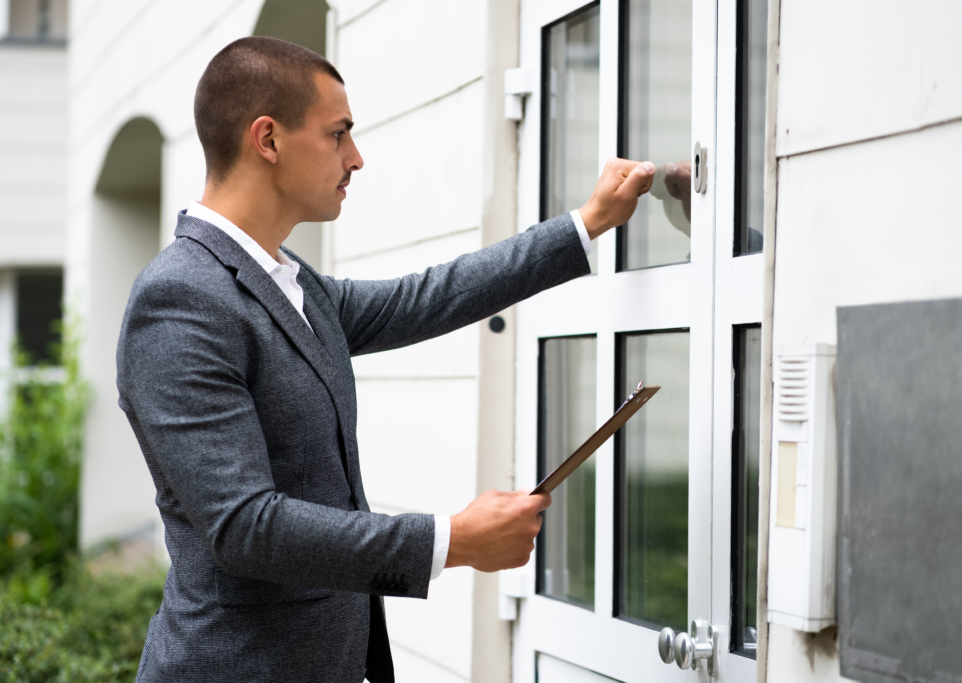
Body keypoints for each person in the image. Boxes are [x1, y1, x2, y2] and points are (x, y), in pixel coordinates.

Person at [116, 36, 654, 683]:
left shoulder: (292, 282)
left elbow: (425, 297)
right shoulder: (180, 299)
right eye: (338, 133)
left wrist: (585, 223)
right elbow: (244, 526)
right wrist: (452, 539)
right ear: (268, 139)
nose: (356, 158)